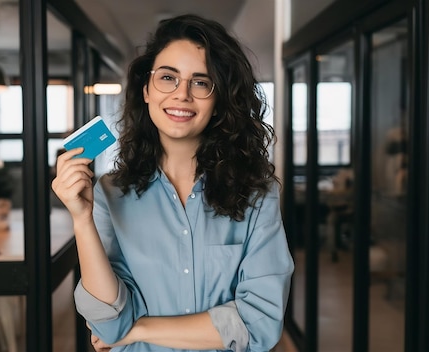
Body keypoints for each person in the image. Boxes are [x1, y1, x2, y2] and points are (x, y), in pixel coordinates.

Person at [52, 14, 294, 352]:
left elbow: (261, 323)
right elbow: (109, 322)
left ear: (219, 99)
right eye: (168, 77)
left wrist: (138, 330)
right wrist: (81, 219)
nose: (181, 95)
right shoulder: (109, 193)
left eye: (200, 82)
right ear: (147, 90)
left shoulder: (258, 194)